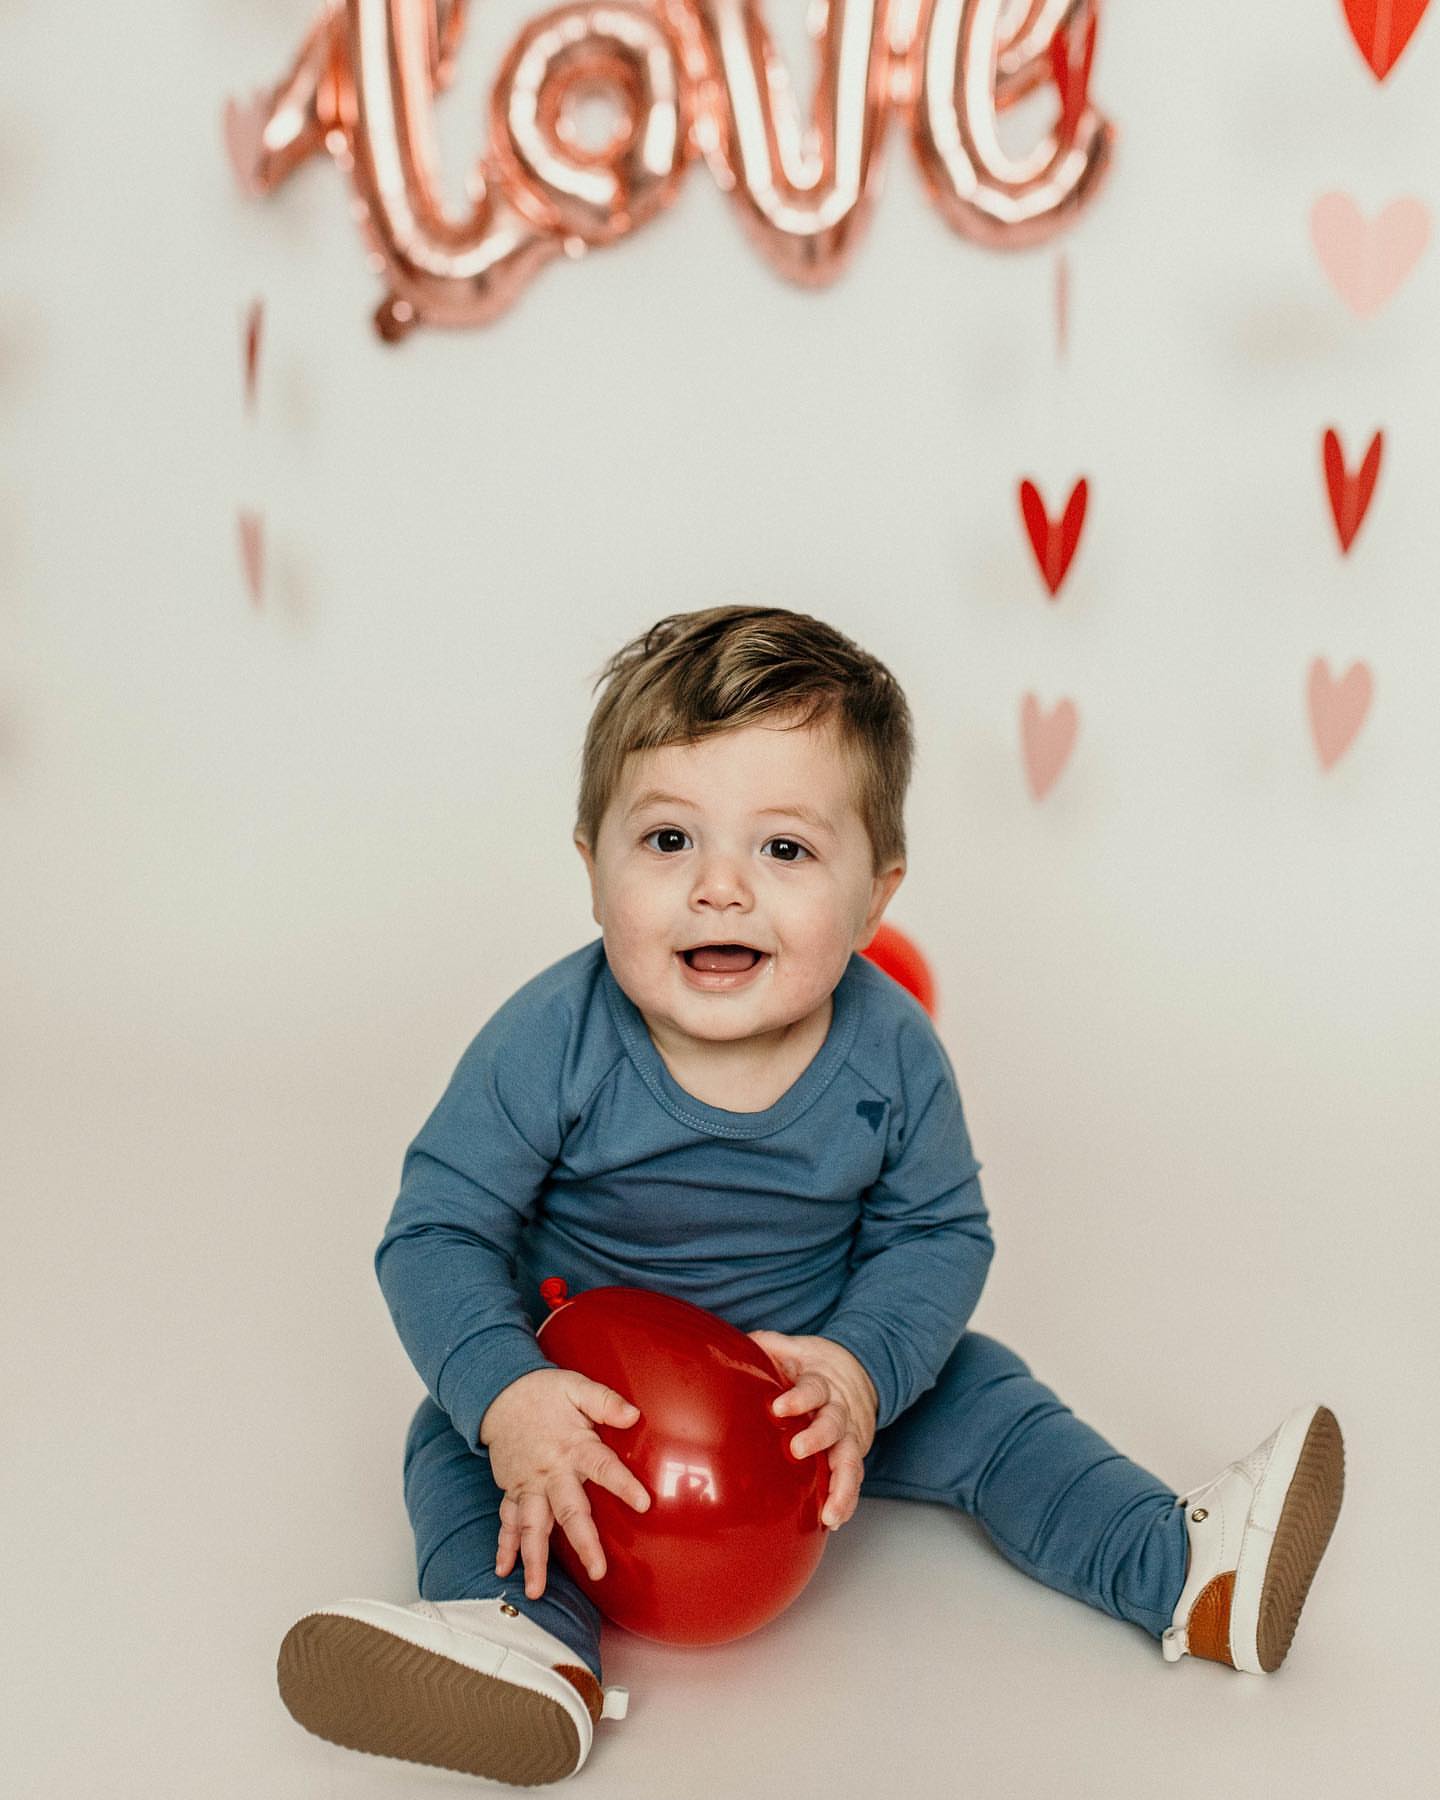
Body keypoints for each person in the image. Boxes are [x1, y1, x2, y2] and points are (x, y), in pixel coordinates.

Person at [276, 605, 1345, 1785]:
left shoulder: (890, 1055)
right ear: (590, 868)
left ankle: (1184, 1573)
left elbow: (939, 1231)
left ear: (874, 896)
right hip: (601, 1416)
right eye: (669, 841)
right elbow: (437, 1227)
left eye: (783, 850)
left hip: (809, 1407)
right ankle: (525, 1641)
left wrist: (861, 1368)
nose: (721, 889)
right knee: (450, 1432)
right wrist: (513, 1393)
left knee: (983, 1388)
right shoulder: (551, 1039)